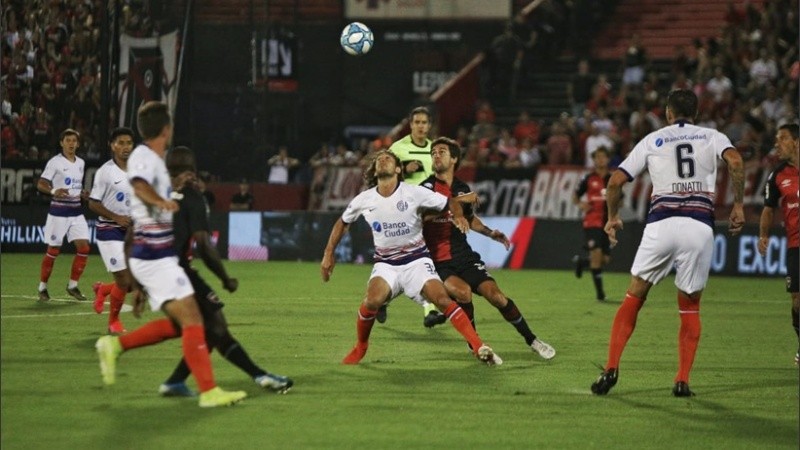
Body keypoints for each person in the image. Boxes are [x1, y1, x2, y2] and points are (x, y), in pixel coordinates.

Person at [591, 89, 745, 397]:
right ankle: (682, 380)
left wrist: (612, 217)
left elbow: (615, 182)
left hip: (660, 224)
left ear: (669, 113)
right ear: (696, 114)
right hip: (698, 226)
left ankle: (611, 368)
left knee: (634, 296)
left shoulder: (653, 139)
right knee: (689, 306)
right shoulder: (711, 135)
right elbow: (737, 162)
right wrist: (738, 205)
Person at [94, 101, 247, 408]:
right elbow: (138, 186)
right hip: (153, 253)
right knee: (194, 320)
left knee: (185, 323)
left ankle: (116, 346)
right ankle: (208, 391)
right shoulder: (145, 158)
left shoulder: (154, 161)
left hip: (156, 254)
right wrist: (161, 202)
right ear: (167, 128)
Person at [320, 149, 500, 366]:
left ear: (397, 169)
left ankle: (478, 346)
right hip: (386, 264)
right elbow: (342, 222)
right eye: (379, 159)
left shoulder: (413, 192)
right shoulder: (364, 199)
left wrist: (459, 215)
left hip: (417, 261)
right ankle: (361, 347)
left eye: (388, 158)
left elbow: (449, 202)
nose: (383, 160)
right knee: (372, 300)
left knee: (441, 299)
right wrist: (329, 253)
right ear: (375, 170)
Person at [158, 146, 293, 396]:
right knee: (215, 326)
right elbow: (205, 245)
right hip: (179, 272)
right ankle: (259, 376)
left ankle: (177, 380)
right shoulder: (191, 196)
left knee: (210, 329)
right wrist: (225, 278)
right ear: (192, 170)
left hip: (157, 272)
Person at [421, 137, 556, 359]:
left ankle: (532, 339)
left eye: (442, 151)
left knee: (496, 297)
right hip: (439, 260)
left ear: (454, 158)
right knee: (462, 293)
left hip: (464, 256)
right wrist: (457, 203)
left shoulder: (462, 187)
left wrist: (490, 232)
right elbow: (425, 215)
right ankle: (475, 342)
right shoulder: (425, 187)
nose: (436, 155)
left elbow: (470, 218)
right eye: (433, 152)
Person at [386, 106, 445, 327]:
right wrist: (403, 168)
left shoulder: (434, 150)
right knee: (407, 264)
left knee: (424, 262)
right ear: (410, 124)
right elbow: (379, 174)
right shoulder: (398, 148)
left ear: (430, 126)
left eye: (424, 123)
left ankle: (428, 309)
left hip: (427, 215)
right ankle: (384, 299)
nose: (420, 126)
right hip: (402, 214)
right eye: (417, 122)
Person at [757, 123, 799, 364]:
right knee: (797, 300)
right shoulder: (778, 174)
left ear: (797, 141)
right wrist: (764, 235)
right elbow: (768, 208)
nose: (777, 143)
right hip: (796, 245)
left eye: (782, 139)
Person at [88, 127, 135, 334]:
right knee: (124, 280)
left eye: (129, 143)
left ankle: (103, 289)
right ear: (112, 145)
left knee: (137, 283)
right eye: (121, 143)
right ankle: (113, 322)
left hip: (131, 231)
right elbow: (93, 203)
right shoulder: (105, 172)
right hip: (110, 230)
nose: (125, 147)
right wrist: (116, 217)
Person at [35, 128, 91, 302]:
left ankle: (72, 286)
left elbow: (75, 186)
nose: (71, 143)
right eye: (67, 140)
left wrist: (82, 194)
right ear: (61, 143)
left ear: (78, 143)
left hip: (75, 211)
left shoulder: (81, 163)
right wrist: (53, 190)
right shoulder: (55, 162)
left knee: (84, 248)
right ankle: (42, 287)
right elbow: (41, 183)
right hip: (58, 212)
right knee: (53, 250)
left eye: (74, 140)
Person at [572, 146, 612, 302]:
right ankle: (600, 294)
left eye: (603, 157)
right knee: (596, 256)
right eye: (597, 157)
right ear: (594, 160)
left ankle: (582, 263)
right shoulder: (588, 178)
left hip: (608, 223)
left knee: (605, 259)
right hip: (592, 221)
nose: (600, 160)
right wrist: (582, 205)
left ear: (608, 159)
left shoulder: (612, 179)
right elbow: (575, 196)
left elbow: (620, 199)